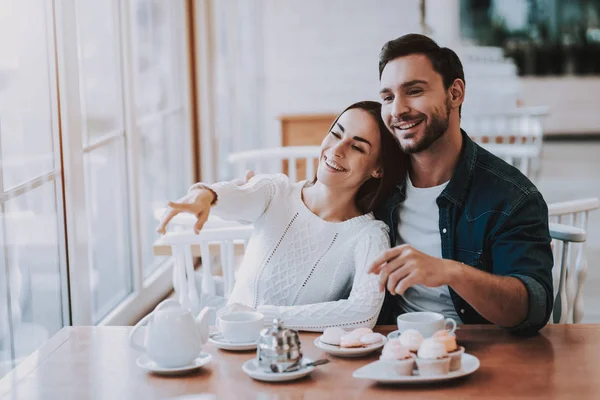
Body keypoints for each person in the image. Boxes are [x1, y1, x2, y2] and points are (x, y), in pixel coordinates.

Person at [157, 101, 407, 331]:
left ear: (378, 169)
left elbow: (362, 313)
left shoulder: (369, 235)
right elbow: (238, 195)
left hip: (295, 361)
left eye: (357, 147)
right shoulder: (277, 191)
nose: (337, 149)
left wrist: (263, 317)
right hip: (228, 343)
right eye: (336, 133)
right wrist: (204, 194)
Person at [368, 34, 554, 335]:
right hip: (392, 352)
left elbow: (533, 308)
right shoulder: (379, 184)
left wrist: (451, 272)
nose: (398, 110)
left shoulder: (512, 196)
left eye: (414, 91)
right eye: (387, 98)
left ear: (455, 94)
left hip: (481, 356)